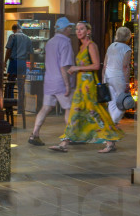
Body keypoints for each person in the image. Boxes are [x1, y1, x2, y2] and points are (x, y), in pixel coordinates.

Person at [51, 20, 123, 154]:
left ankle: (110, 141)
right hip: (81, 87)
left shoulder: (91, 45)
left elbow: (96, 65)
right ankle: (64, 143)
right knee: (75, 113)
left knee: (96, 112)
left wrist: (77, 68)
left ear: (88, 31)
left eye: (82, 29)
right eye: (77, 29)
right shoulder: (81, 47)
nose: (78, 31)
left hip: (89, 86)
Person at [28, 17, 75, 146]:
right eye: (69, 27)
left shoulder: (50, 42)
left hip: (49, 81)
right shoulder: (65, 42)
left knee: (45, 108)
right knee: (69, 109)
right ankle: (68, 137)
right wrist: (67, 85)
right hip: (61, 81)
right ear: (65, 29)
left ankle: (35, 134)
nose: (71, 29)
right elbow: (64, 66)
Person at [104, 27, 134, 130]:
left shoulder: (111, 46)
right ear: (128, 37)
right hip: (118, 77)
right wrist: (127, 83)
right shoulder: (127, 49)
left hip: (108, 76)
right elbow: (125, 66)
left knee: (111, 103)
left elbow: (105, 64)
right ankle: (112, 124)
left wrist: (103, 78)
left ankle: (112, 126)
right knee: (123, 103)